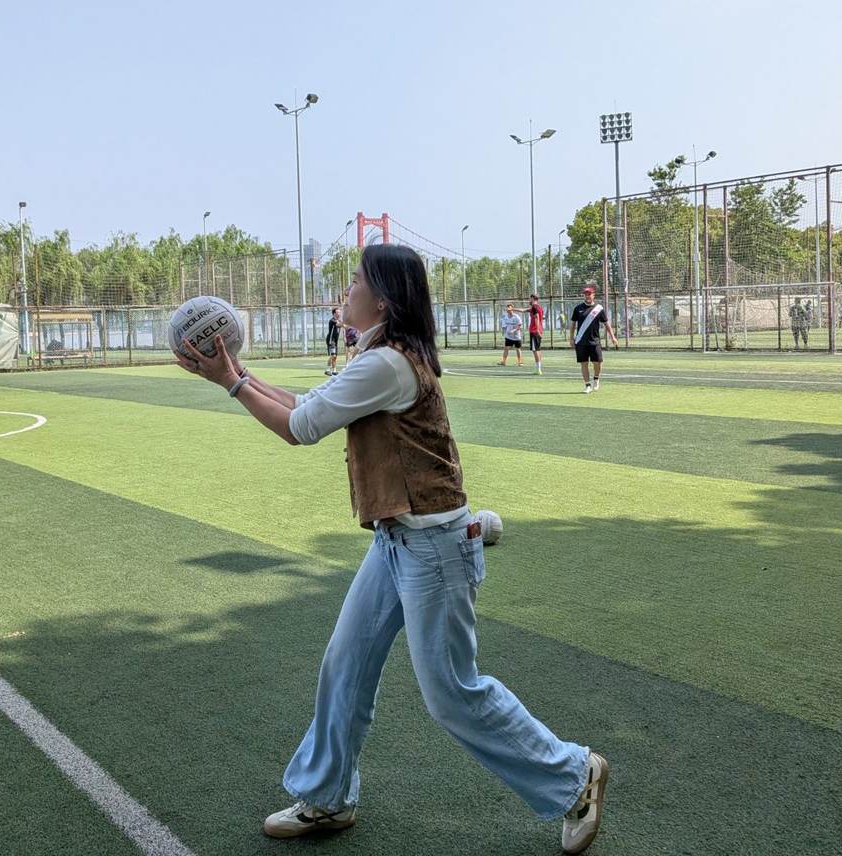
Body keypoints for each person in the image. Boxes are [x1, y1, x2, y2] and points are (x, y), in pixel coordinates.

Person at [176, 244, 610, 854]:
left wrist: (229, 382)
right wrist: (239, 376)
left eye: (354, 281)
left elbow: (301, 428)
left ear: (382, 300)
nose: (344, 291)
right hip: (396, 541)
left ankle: (573, 775)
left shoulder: (387, 364)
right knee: (346, 663)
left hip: (434, 550)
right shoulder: (376, 355)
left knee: (452, 692)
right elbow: (307, 405)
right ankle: (327, 796)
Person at [570, 284, 618, 394]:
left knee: (597, 363)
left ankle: (596, 378)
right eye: (586, 294)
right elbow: (572, 324)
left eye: (589, 294)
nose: (587, 296)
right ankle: (587, 385)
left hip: (595, 341)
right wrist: (571, 338)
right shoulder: (578, 309)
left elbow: (606, 324)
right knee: (584, 363)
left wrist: (613, 337)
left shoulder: (599, 309)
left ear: (593, 295)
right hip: (581, 341)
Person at [518, 293, 547, 375]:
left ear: (533, 298)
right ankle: (539, 368)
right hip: (538, 330)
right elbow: (523, 310)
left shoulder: (534, 307)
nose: (529, 300)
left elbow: (537, 317)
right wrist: (513, 309)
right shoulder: (538, 307)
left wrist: (537, 329)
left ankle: (538, 369)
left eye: (530, 298)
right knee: (538, 349)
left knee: (535, 350)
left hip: (535, 331)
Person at [499, 303, 524, 367]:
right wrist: (504, 331)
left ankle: (520, 362)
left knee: (518, 349)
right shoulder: (505, 317)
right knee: (506, 348)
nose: (508, 310)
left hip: (516, 337)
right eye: (507, 308)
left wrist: (514, 330)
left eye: (509, 308)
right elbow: (504, 326)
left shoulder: (516, 317)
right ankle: (503, 362)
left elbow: (520, 326)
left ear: (512, 309)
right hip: (508, 337)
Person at [325, 307, 341, 376]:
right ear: (334, 313)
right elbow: (339, 325)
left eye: (339, 312)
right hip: (331, 340)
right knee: (333, 355)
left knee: (335, 356)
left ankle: (334, 371)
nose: (339, 313)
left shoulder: (338, 320)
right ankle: (327, 370)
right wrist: (348, 323)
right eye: (338, 312)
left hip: (335, 341)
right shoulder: (332, 320)